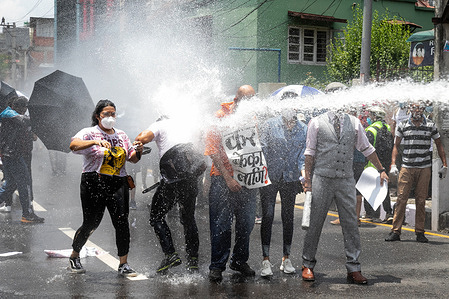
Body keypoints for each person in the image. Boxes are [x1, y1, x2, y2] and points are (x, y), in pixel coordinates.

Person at [301, 109, 388, 284]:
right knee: (315, 222)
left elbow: (366, 147)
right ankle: (307, 264)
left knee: (351, 224)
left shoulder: (354, 122)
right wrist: (308, 181)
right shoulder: (316, 122)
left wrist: (381, 169)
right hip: (322, 178)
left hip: (345, 179)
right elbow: (310, 152)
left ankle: (354, 268)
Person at [68, 99, 142, 276]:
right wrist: (94, 142)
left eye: (113, 114)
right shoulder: (89, 132)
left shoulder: (122, 135)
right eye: (106, 114)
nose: (110, 117)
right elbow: (73, 145)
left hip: (118, 182)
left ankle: (123, 263)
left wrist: (138, 150)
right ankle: (74, 255)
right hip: (94, 181)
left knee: (121, 222)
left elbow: (132, 158)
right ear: (97, 116)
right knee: (91, 222)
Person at [134, 115, 205, 274]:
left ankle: (170, 255)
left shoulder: (160, 124)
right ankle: (193, 261)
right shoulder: (184, 126)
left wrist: (137, 144)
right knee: (188, 218)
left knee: (156, 216)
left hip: (172, 179)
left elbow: (142, 138)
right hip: (190, 179)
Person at [205, 85, 258, 282]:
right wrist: (228, 178)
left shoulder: (251, 117)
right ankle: (217, 265)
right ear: (236, 99)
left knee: (247, 222)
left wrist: (256, 175)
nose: (251, 103)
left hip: (247, 178)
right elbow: (212, 149)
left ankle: (239, 260)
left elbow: (254, 148)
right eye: (247, 99)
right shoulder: (219, 116)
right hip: (222, 178)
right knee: (222, 224)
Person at [386, 102, 447, 243]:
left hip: (424, 167)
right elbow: (396, 146)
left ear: (423, 109)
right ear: (410, 109)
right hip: (407, 167)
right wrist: (393, 164)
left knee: (421, 199)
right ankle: (395, 231)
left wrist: (445, 165)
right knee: (401, 198)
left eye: (419, 108)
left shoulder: (430, 125)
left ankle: (420, 232)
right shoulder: (403, 126)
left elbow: (439, 144)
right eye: (414, 107)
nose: (417, 110)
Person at [258, 109, 307, 277]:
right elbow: (262, 149)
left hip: (291, 177)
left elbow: (303, 154)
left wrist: (303, 173)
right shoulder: (270, 125)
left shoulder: (303, 128)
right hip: (270, 176)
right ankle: (266, 259)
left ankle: (286, 257)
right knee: (268, 215)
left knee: (288, 217)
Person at [0, 96, 44, 223]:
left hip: (13, 155)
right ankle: (27, 214)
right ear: (18, 107)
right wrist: (37, 119)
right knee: (23, 183)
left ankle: (27, 213)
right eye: (24, 108)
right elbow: (23, 120)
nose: (25, 111)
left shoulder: (13, 115)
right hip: (12, 155)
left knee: (11, 185)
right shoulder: (9, 113)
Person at [363, 106, 394, 223]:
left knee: (369, 189)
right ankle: (389, 213)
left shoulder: (371, 130)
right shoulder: (387, 128)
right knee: (384, 188)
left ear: (374, 116)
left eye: (370, 115)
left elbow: (367, 149)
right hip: (385, 164)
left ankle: (371, 214)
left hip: (372, 164)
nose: (369, 118)